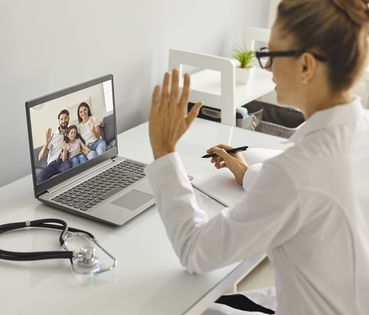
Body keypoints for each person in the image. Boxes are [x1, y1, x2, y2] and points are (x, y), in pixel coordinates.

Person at [145, 0, 369, 314]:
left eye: (271, 54)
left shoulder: (298, 172)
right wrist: (247, 174)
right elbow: (311, 200)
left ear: (306, 66)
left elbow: (195, 251)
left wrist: (164, 151)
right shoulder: (360, 132)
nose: (266, 66)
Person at [37, 109, 72, 182]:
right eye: (61, 119)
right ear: (59, 121)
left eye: (65, 118)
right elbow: (40, 157)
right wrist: (46, 143)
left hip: (63, 162)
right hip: (52, 164)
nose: (63, 120)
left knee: (68, 167)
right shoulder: (53, 136)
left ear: (68, 118)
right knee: (40, 178)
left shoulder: (72, 133)